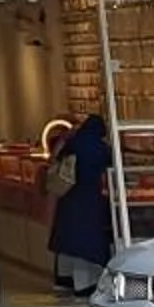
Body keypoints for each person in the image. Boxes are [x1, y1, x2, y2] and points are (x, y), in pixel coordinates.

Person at [48, 111, 115, 295]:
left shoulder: (73, 142)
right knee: (87, 244)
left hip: (69, 197)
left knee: (70, 242)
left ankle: (65, 280)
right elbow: (113, 167)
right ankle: (85, 285)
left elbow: (54, 160)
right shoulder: (102, 148)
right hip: (90, 199)